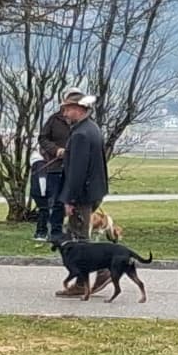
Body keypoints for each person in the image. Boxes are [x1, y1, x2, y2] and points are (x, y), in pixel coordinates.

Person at [55, 90, 110, 297]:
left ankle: (95, 274)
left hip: (81, 195)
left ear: (79, 109)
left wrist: (69, 199)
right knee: (78, 236)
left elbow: (77, 171)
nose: (65, 113)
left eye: (67, 109)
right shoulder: (92, 129)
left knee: (79, 240)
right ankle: (85, 278)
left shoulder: (80, 134)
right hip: (93, 191)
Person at [38, 86, 83, 242]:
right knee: (56, 201)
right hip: (55, 166)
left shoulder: (82, 123)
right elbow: (42, 139)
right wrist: (56, 150)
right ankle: (55, 233)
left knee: (75, 201)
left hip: (74, 168)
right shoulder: (53, 120)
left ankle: (75, 231)